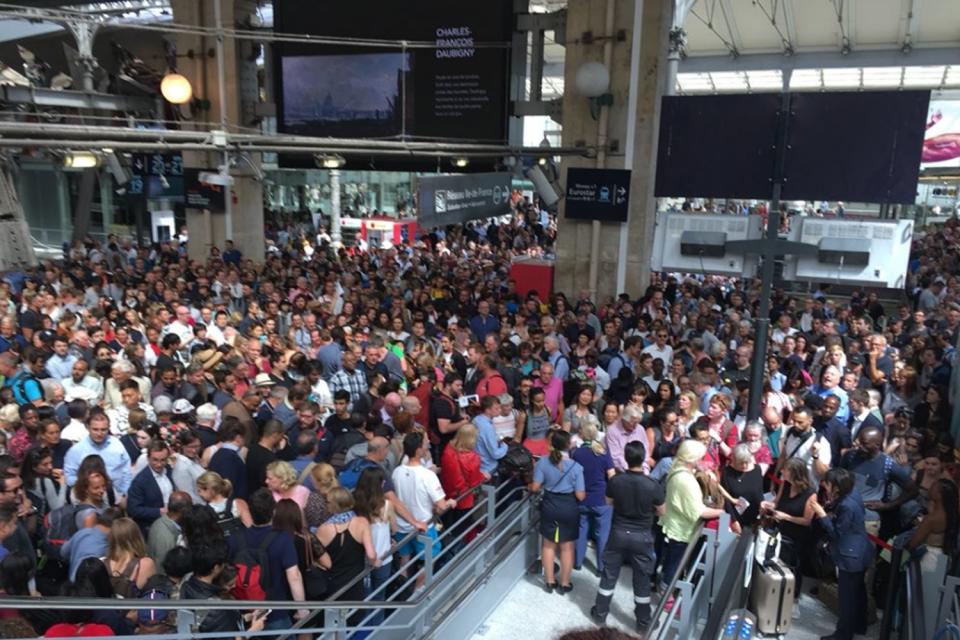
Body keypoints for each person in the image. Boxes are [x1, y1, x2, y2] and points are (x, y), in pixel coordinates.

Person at [590, 440, 664, 633]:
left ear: (626, 457)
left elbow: (608, 502)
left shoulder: (616, 480)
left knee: (609, 573)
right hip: (642, 536)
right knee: (642, 578)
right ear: (644, 458)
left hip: (618, 532)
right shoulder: (652, 485)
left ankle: (600, 613)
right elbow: (661, 511)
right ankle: (643, 622)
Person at [227, 488, 307, 629]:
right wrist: (302, 609)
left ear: (250, 511)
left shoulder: (234, 539)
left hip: (245, 612)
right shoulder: (283, 539)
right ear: (274, 512)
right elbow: (294, 576)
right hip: (276, 610)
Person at [659, 440, 725, 609]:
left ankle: (667, 592)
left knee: (674, 562)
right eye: (701, 457)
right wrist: (722, 512)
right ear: (692, 458)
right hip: (682, 529)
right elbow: (699, 512)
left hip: (676, 525)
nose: (703, 460)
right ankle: (667, 597)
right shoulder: (685, 481)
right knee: (675, 565)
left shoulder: (679, 470)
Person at [810, 468, 874, 640]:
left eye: (828, 483)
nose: (825, 485)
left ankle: (843, 634)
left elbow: (837, 533)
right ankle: (859, 625)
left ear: (836, 486)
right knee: (858, 592)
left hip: (850, 555)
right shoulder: (852, 494)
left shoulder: (846, 505)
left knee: (848, 597)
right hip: (860, 549)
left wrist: (823, 514)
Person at [391, 431, 456, 594]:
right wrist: (451, 502)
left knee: (404, 560)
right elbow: (441, 506)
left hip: (401, 526)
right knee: (428, 559)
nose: (429, 445)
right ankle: (417, 593)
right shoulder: (428, 475)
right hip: (424, 526)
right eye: (426, 443)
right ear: (419, 450)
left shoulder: (396, 472)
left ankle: (402, 593)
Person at [530, 429, 585, 594]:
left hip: (549, 505)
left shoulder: (542, 463)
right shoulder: (576, 467)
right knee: (567, 547)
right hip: (569, 506)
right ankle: (565, 583)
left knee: (548, 545)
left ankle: (549, 581)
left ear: (551, 444)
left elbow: (535, 487)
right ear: (568, 445)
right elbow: (580, 496)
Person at [316, 487, 377, 608]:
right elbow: (371, 554)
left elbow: (319, 559)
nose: (325, 504)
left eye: (327, 502)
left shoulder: (323, 529)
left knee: (335, 619)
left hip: (333, 581)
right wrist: (375, 562)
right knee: (355, 619)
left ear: (334, 505)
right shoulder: (361, 522)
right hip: (356, 581)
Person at [571, 417, 614, 572]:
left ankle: (577, 562)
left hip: (582, 499)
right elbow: (612, 477)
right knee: (602, 533)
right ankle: (601, 567)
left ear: (582, 434)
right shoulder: (603, 454)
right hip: (601, 500)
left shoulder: (577, 453)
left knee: (581, 530)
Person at [439, 423, 486, 551]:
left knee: (451, 525)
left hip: (449, 495)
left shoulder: (448, 450)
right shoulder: (472, 458)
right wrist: (483, 476)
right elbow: (474, 482)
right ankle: (463, 550)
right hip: (464, 497)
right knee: (464, 525)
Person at [63, 412, 132, 496]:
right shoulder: (76, 451)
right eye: (95, 429)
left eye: (103, 429)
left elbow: (126, 471)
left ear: (108, 428)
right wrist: (89, 482)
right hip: (89, 499)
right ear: (88, 428)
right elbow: (69, 477)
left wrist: (125, 493)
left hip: (118, 496)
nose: (99, 434)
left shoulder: (117, 444)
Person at [126, 441, 174, 532]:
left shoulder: (169, 470)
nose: (159, 464)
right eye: (155, 460)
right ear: (148, 458)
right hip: (152, 527)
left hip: (171, 522)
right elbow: (133, 509)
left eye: (163, 460)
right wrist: (159, 511)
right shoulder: (140, 481)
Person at [102, 516, 156, 596]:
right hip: (133, 607)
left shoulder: (102, 563)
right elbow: (152, 596)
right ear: (137, 537)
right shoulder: (145, 564)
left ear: (111, 538)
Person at [720, 444, 764, 534]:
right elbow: (726, 499)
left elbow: (759, 492)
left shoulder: (757, 469)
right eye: (740, 462)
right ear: (734, 460)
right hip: (736, 517)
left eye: (747, 462)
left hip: (754, 516)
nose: (744, 465)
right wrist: (734, 521)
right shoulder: (727, 472)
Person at [146, 491, 191, 573]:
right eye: (190, 508)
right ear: (183, 510)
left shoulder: (162, 522)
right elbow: (162, 568)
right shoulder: (165, 537)